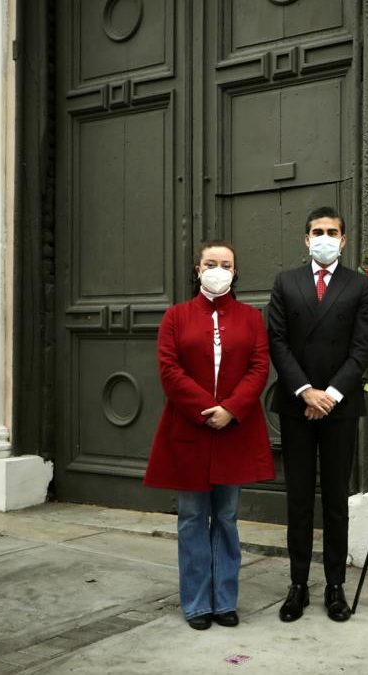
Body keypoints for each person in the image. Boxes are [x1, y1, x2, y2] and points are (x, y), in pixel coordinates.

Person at [144, 241, 274, 631]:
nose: (218, 269)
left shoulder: (251, 318)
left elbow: (259, 367)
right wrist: (206, 409)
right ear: (198, 270)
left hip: (235, 430)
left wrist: (231, 408)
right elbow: (169, 370)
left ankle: (225, 600)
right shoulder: (176, 317)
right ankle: (197, 603)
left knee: (227, 518)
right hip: (189, 429)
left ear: (235, 273)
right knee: (192, 518)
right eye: (210, 263)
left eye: (226, 264)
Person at [267, 206, 368, 623]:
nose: (325, 237)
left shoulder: (358, 286)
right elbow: (277, 340)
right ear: (306, 239)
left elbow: (362, 347)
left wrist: (329, 394)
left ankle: (334, 586)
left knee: (335, 500)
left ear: (344, 240)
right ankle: (297, 585)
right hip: (297, 405)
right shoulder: (286, 282)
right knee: (298, 499)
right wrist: (306, 392)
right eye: (317, 231)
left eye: (332, 231)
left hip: (339, 407)